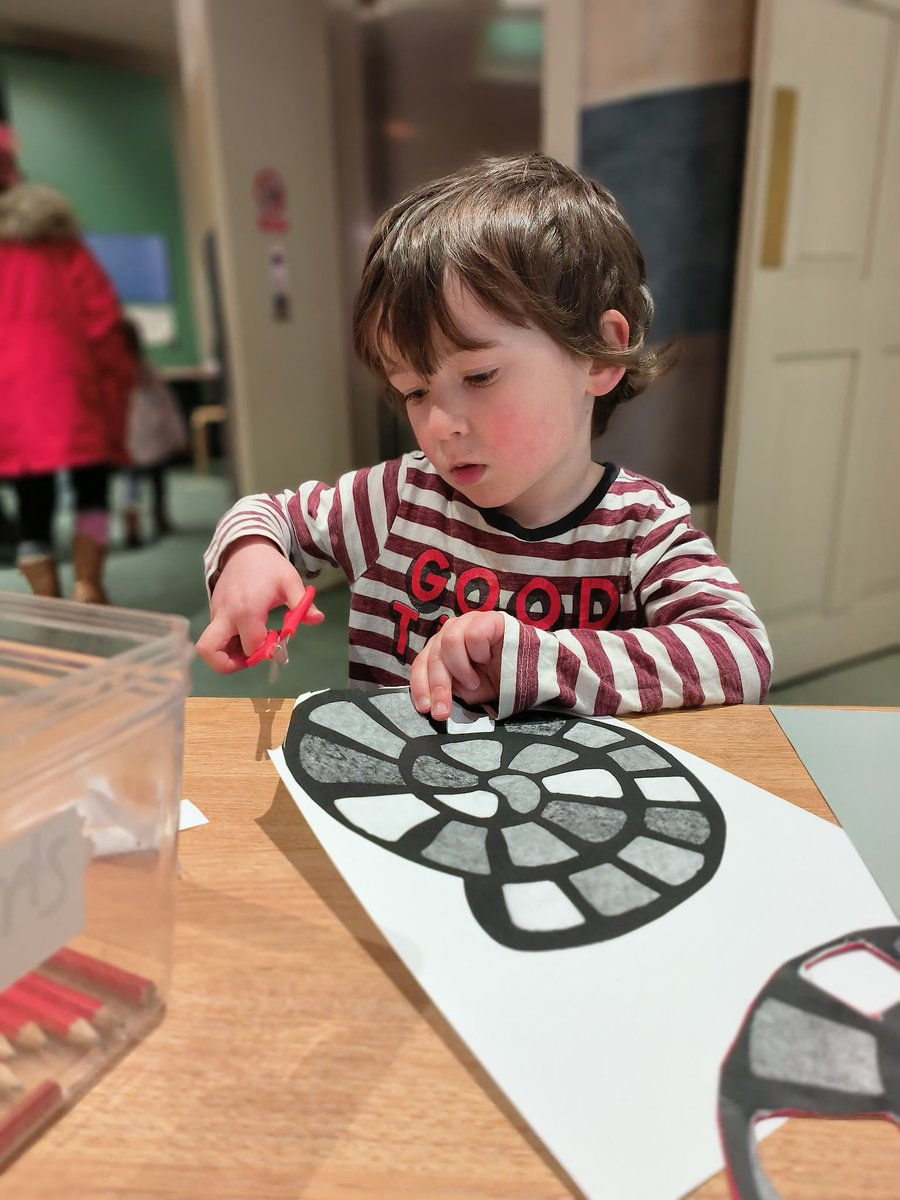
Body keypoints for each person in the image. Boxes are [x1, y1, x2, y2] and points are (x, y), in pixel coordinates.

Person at [197, 153, 772, 720]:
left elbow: (740, 653)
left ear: (598, 355)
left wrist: (536, 659)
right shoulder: (397, 501)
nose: (439, 425)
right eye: (414, 391)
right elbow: (270, 514)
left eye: (479, 376)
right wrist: (249, 555)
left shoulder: (640, 529)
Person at [0, 135, 137, 602]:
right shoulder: (65, 249)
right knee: (92, 494)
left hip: (11, 399)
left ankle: (48, 601)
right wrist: (120, 381)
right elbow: (103, 322)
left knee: (30, 503)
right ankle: (89, 585)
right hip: (73, 388)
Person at [119, 318, 188, 548]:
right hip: (139, 437)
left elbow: (165, 405)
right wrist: (178, 435)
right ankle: (152, 519)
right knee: (148, 482)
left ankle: (138, 523)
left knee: (133, 485)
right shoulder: (141, 371)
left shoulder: (137, 372)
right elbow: (167, 406)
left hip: (134, 438)